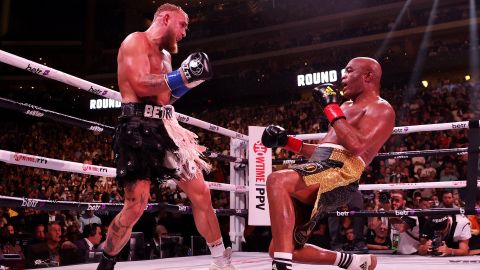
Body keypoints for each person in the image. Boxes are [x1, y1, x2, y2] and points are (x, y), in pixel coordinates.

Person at [97, 3, 234, 270]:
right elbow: (139, 82)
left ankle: (220, 260)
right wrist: (183, 75)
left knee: (201, 192)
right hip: (136, 125)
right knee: (136, 205)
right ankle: (107, 263)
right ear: (166, 18)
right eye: (183, 25)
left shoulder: (167, 56)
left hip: (165, 126)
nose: (185, 32)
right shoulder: (135, 41)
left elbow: (164, 96)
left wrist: (189, 82)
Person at [262, 57, 395, 270]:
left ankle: (281, 267)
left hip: (342, 174)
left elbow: (356, 145)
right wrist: (287, 142)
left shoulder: (382, 109)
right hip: (324, 168)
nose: (343, 76)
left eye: (350, 71)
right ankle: (354, 262)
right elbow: (325, 151)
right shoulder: (345, 106)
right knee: (281, 246)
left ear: (368, 76)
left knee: (277, 180)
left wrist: (330, 108)